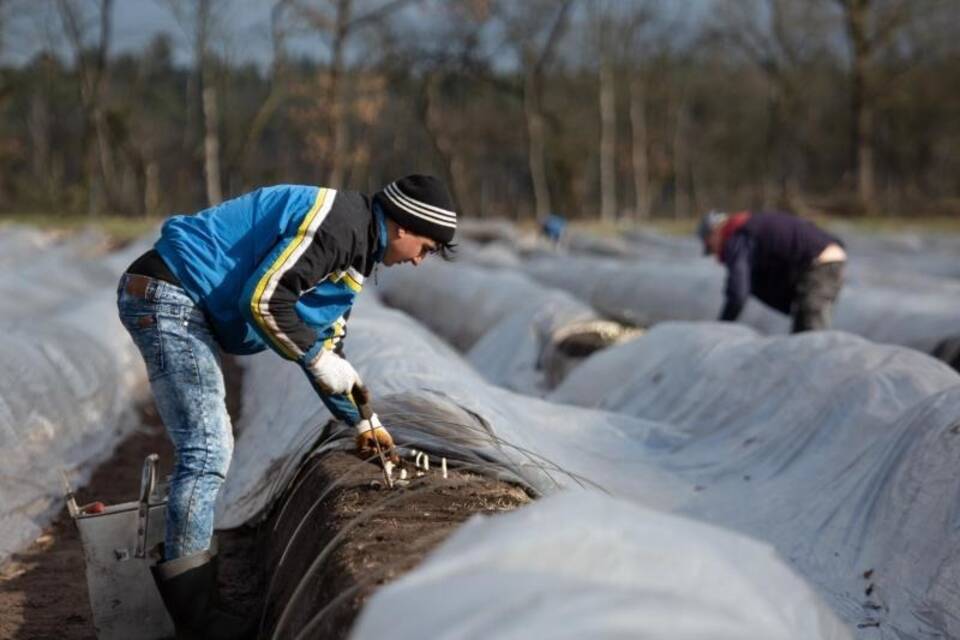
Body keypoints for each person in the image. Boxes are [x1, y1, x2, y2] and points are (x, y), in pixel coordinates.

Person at [116, 175, 457, 638]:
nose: (420, 260)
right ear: (403, 227)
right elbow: (263, 299)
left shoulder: (355, 252)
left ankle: (202, 605)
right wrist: (316, 359)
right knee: (207, 448)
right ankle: (198, 620)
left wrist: (363, 420)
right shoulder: (340, 227)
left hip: (179, 299)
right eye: (426, 247)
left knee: (208, 448)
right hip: (170, 293)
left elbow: (326, 341)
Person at [697, 210, 845, 333]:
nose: (715, 254)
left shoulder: (737, 237)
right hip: (820, 261)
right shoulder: (749, 227)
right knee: (802, 334)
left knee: (811, 334)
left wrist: (722, 327)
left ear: (714, 233)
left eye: (711, 248)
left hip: (820, 263)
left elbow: (738, 292)